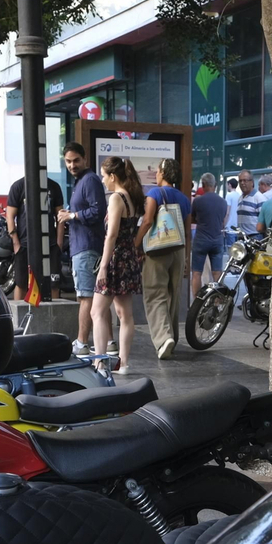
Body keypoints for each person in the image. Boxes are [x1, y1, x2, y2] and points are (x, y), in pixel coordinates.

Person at [93, 156, 144, 375]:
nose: (103, 181)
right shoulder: (131, 198)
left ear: (113, 176)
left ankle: (100, 362)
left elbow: (111, 234)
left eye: (104, 176)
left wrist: (103, 266)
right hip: (128, 259)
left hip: (114, 260)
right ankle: (123, 363)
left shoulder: (116, 198)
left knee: (97, 312)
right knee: (125, 314)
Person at [136, 157, 191, 359]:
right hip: (178, 249)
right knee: (173, 296)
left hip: (158, 250)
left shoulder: (154, 194)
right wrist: (187, 258)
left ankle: (163, 338)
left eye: (158, 171)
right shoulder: (185, 199)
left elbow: (147, 221)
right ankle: (172, 339)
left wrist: (136, 244)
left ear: (162, 173)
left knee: (154, 293)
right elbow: (187, 231)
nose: (156, 174)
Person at [57, 143, 105, 354]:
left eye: (76, 160)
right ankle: (109, 342)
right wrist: (71, 214)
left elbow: (98, 211)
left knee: (85, 296)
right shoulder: (82, 181)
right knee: (95, 296)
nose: (72, 165)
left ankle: (82, 343)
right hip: (83, 245)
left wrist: (73, 216)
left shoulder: (90, 180)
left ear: (85, 158)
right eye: (68, 161)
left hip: (86, 247)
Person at [5, 170, 63, 300]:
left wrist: (58, 244)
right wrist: (16, 244)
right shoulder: (18, 186)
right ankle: (20, 319)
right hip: (25, 244)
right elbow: (10, 216)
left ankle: (53, 317)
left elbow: (60, 216)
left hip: (50, 245)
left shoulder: (53, 186)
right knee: (21, 283)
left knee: (53, 284)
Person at [188, 172, 228, 296]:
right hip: (217, 239)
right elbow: (222, 220)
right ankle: (217, 302)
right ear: (215, 185)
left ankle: (197, 303)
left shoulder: (198, 201)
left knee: (196, 273)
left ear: (204, 185)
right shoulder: (223, 202)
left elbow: (193, 218)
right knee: (217, 273)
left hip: (201, 239)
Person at [233, 170, 264, 237]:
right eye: (240, 181)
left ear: (252, 182)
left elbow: (264, 221)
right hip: (242, 238)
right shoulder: (240, 198)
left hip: (255, 238)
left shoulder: (259, 198)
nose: (242, 183)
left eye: (245, 180)